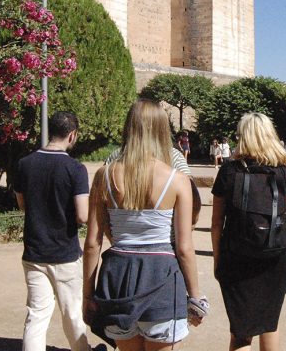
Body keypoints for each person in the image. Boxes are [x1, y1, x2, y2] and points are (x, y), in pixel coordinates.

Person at [82, 100, 207, 350]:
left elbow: (92, 244)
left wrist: (88, 295)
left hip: (116, 278)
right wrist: (195, 297)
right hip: (161, 276)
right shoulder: (177, 180)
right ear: (162, 130)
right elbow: (184, 247)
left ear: (128, 128)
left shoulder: (103, 175)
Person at [211, 113, 286, 351]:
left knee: (241, 332)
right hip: (274, 256)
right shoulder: (283, 172)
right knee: (270, 325)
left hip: (236, 256)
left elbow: (216, 223)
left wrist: (218, 259)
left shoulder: (229, 171)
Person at [15, 111, 91, 351]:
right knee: (72, 314)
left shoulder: (24, 164)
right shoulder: (75, 169)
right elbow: (82, 215)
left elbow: (22, 204)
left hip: (35, 251)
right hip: (64, 253)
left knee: (36, 315)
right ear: (72, 135)